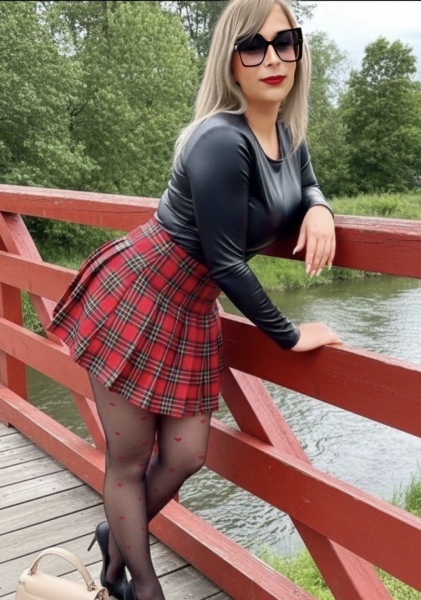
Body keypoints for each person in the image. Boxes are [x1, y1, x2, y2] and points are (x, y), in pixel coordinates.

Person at [47, 0, 342, 598]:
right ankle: (142, 586)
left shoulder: (287, 134)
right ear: (231, 62)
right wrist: (289, 336)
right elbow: (227, 261)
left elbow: (306, 181)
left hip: (192, 309)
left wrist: (320, 208)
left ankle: (115, 537)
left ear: (299, 51)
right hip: (140, 292)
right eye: (253, 46)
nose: (272, 58)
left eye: (285, 41)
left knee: (186, 457)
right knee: (129, 460)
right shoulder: (221, 140)